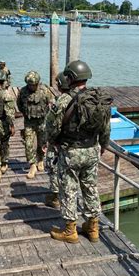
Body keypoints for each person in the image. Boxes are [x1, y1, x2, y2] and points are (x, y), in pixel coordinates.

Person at [47, 60, 112, 243]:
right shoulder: (97, 99)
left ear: (71, 78)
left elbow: (51, 126)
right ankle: (93, 228)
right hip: (92, 150)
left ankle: (70, 231)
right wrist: (103, 147)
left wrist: (53, 143)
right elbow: (106, 129)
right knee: (90, 188)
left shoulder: (64, 99)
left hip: (71, 152)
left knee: (69, 189)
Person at [16, 71, 53, 179]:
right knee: (28, 144)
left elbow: (50, 103)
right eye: (30, 85)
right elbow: (19, 104)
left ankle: (40, 159)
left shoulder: (45, 90)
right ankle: (32, 165)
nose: (32, 87)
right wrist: (26, 113)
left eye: (34, 85)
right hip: (29, 122)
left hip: (42, 121)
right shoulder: (23, 91)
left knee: (42, 142)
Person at [43, 72, 71, 208]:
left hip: (59, 142)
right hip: (73, 143)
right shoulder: (76, 98)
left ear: (60, 85)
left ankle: (55, 197)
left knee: (53, 167)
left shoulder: (59, 102)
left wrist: (49, 141)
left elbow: (51, 125)